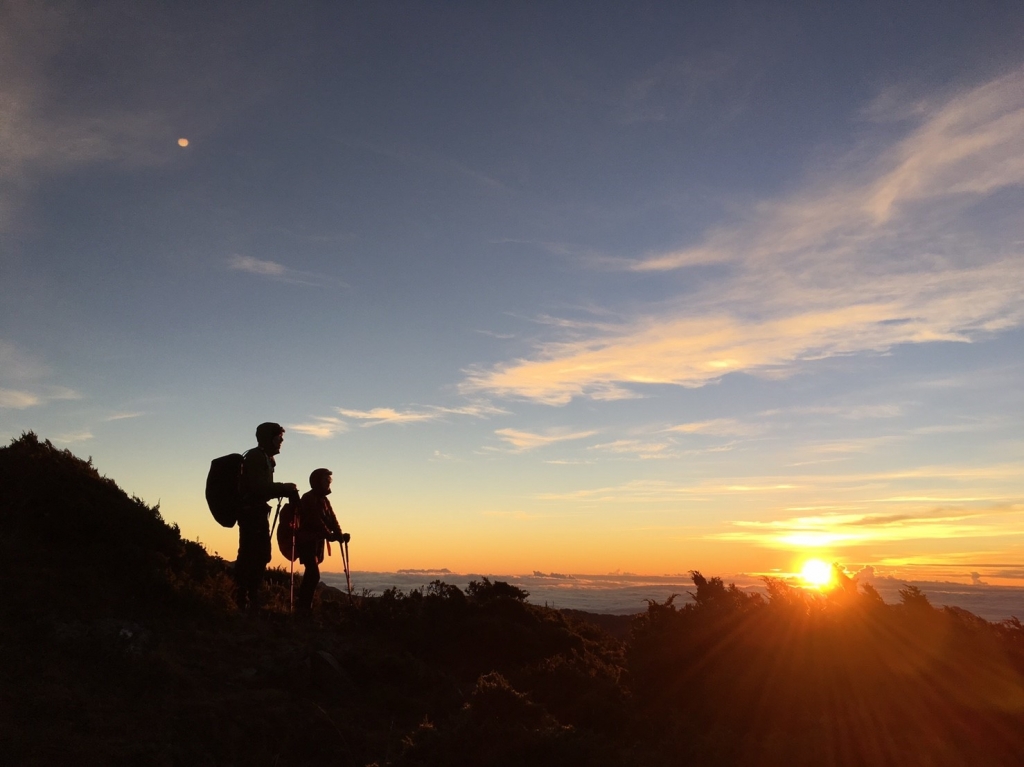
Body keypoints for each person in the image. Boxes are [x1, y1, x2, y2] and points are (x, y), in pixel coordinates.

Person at [235, 422, 299, 611]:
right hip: (251, 513)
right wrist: (284, 488)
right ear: (268, 438)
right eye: (279, 438)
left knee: (258, 554)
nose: (281, 442)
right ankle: (243, 598)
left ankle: (247, 596)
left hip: (255, 512)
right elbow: (258, 488)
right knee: (251, 554)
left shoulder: (265, 458)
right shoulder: (256, 457)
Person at [294, 467, 349, 615]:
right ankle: (304, 608)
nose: (329, 483)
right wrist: (330, 535)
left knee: (311, 574)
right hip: (307, 541)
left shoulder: (324, 500)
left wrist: (339, 533)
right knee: (313, 574)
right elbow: (315, 519)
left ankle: (304, 607)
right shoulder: (308, 498)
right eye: (326, 480)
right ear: (317, 481)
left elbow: (332, 519)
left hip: (316, 542)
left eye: (330, 480)